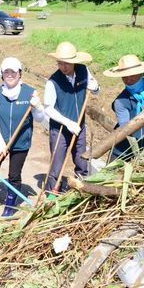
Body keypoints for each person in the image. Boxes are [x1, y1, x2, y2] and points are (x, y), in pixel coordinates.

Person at [0, 57, 44, 217]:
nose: (10, 75)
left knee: (14, 175)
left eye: (13, 72)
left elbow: (39, 118)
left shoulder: (30, 92)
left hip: (20, 142)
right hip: (0, 140)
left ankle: (9, 204)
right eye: (6, 72)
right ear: (2, 74)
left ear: (20, 73)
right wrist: (0, 142)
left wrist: (37, 107)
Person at [43, 42, 100, 195]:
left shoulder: (83, 70)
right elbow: (48, 108)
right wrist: (67, 122)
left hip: (79, 126)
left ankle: (81, 192)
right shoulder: (53, 82)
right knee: (57, 164)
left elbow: (94, 86)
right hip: (60, 128)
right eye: (60, 63)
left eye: (67, 63)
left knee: (82, 161)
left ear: (74, 62)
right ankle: (52, 195)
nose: (63, 67)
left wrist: (95, 87)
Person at [103, 55, 144, 161]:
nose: (128, 79)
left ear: (141, 73)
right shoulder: (121, 102)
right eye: (124, 76)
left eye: (132, 75)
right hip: (123, 152)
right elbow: (126, 129)